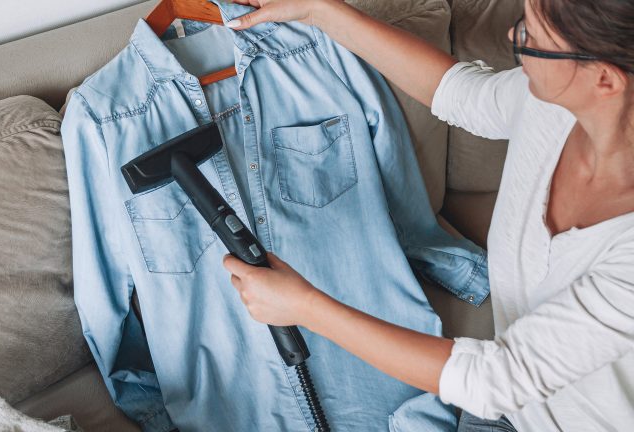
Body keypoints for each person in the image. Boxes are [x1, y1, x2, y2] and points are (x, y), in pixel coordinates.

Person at [221, 0, 634, 430]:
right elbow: (460, 93)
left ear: (604, 79)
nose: (514, 38)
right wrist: (319, 11)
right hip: (510, 408)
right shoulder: (554, 105)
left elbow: (496, 378)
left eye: (532, 38)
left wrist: (304, 306)